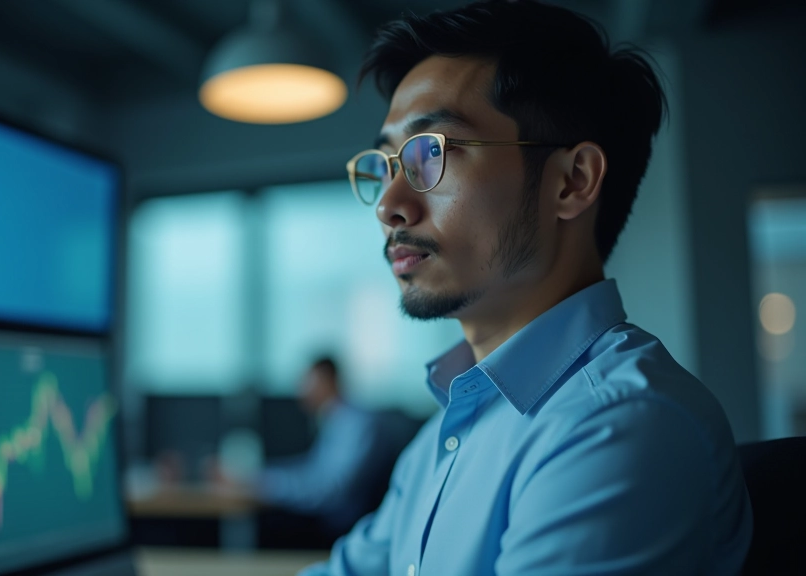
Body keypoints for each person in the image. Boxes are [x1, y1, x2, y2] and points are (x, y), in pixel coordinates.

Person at [302, 2, 752, 575]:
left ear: (572, 182)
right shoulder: (440, 438)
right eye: (387, 163)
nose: (389, 206)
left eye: (430, 153)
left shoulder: (621, 427)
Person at [254, 358, 388, 539]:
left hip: (340, 529)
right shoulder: (333, 420)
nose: (302, 391)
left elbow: (329, 489)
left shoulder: (356, 424)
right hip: (329, 521)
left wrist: (263, 485)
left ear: (328, 381)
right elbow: (311, 471)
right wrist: (256, 478)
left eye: (309, 383)